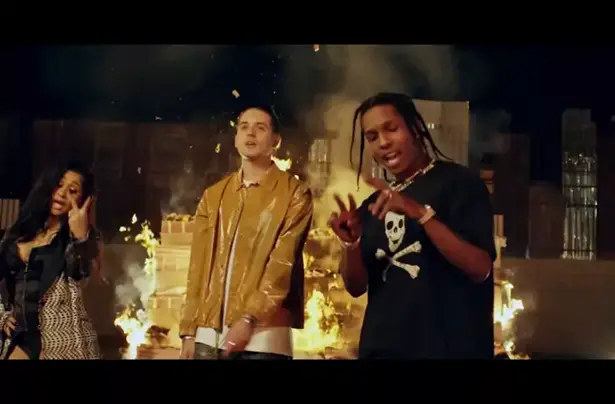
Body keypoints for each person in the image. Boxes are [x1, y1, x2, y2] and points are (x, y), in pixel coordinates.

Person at [329, 92, 497, 359]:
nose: (383, 142)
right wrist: (351, 244)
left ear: (415, 128)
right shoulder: (374, 205)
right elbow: (356, 287)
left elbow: (480, 268)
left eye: (391, 129)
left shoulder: (460, 183)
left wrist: (420, 213)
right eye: (372, 137)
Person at [179, 103, 313, 360]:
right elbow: (197, 267)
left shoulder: (294, 194)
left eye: (260, 128)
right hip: (207, 334)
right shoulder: (213, 195)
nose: (250, 133)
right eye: (244, 127)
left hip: (264, 337)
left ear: (276, 141)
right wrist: (188, 331)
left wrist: (249, 318)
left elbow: (281, 264)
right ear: (236, 138)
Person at [0, 161, 103, 360]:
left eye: (72, 190)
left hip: (64, 341)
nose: (62, 193)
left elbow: (86, 276)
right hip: (20, 338)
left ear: (82, 200)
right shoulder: (19, 233)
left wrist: (81, 238)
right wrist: (2, 317)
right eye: (59, 184)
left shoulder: (81, 240)